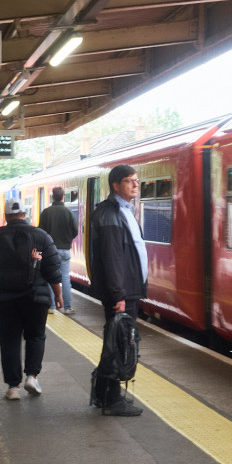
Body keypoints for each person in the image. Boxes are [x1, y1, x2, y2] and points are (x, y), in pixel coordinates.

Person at [0, 197, 63, 401]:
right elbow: (53, 269)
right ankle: (31, 377)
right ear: (25, 215)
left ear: (5, 216)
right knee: (35, 336)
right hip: (35, 298)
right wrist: (58, 295)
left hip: (1, 298)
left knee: (9, 341)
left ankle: (13, 387)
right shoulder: (41, 236)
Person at [88, 164, 147, 417]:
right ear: (116, 185)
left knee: (117, 342)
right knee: (119, 344)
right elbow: (112, 258)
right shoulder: (110, 213)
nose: (135, 184)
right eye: (129, 181)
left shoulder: (124, 210)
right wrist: (118, 295)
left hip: (127, 290)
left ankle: (103, 395)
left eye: (136, 180)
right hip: (121, 293)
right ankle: (112, 400)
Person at [38, 186, 78, 315]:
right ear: (63, 197)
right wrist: (66, 240)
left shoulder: (46, 212)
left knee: (50, 277)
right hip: (65, 250)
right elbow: (75, 231)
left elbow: (40, 232)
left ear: (52, 197)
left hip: (49, 251)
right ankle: (67, 307)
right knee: (65, 278)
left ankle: (51, 306)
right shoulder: (68, 213)